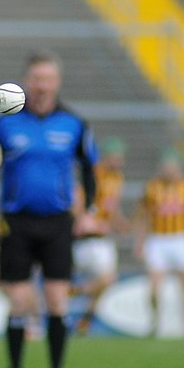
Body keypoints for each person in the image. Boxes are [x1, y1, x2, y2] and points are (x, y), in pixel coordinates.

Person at [0, 51, 98, 368]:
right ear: (27, 82)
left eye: (48, 79)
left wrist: (87, 210)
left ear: (57, 82)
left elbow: (90, 169)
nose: (42, 85)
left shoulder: (74, 123)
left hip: (59, 223)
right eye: (36, 79)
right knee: (18, 300)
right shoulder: (4, 122)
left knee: (58, 300)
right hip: (15, 221)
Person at [133, 149, 184, 339]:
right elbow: (142, 217)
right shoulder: (152, 188)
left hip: (181, 239)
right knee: (153, 286)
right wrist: (139, 242)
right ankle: (154, 321)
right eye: (166, 166)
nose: (169, 170)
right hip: (158, 239)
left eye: (172, 166)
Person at [72, 135, 128, 335]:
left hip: (104, 238)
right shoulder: (95, 175)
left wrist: (120, 224)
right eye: (117, 156)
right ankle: (75, 294)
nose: (120, 160)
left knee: (107, 282)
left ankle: (85, 319)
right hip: (88, 238)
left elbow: (111, 207)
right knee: (108, 280)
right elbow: (77, 201)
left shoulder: (117, 178)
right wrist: (87, 222)